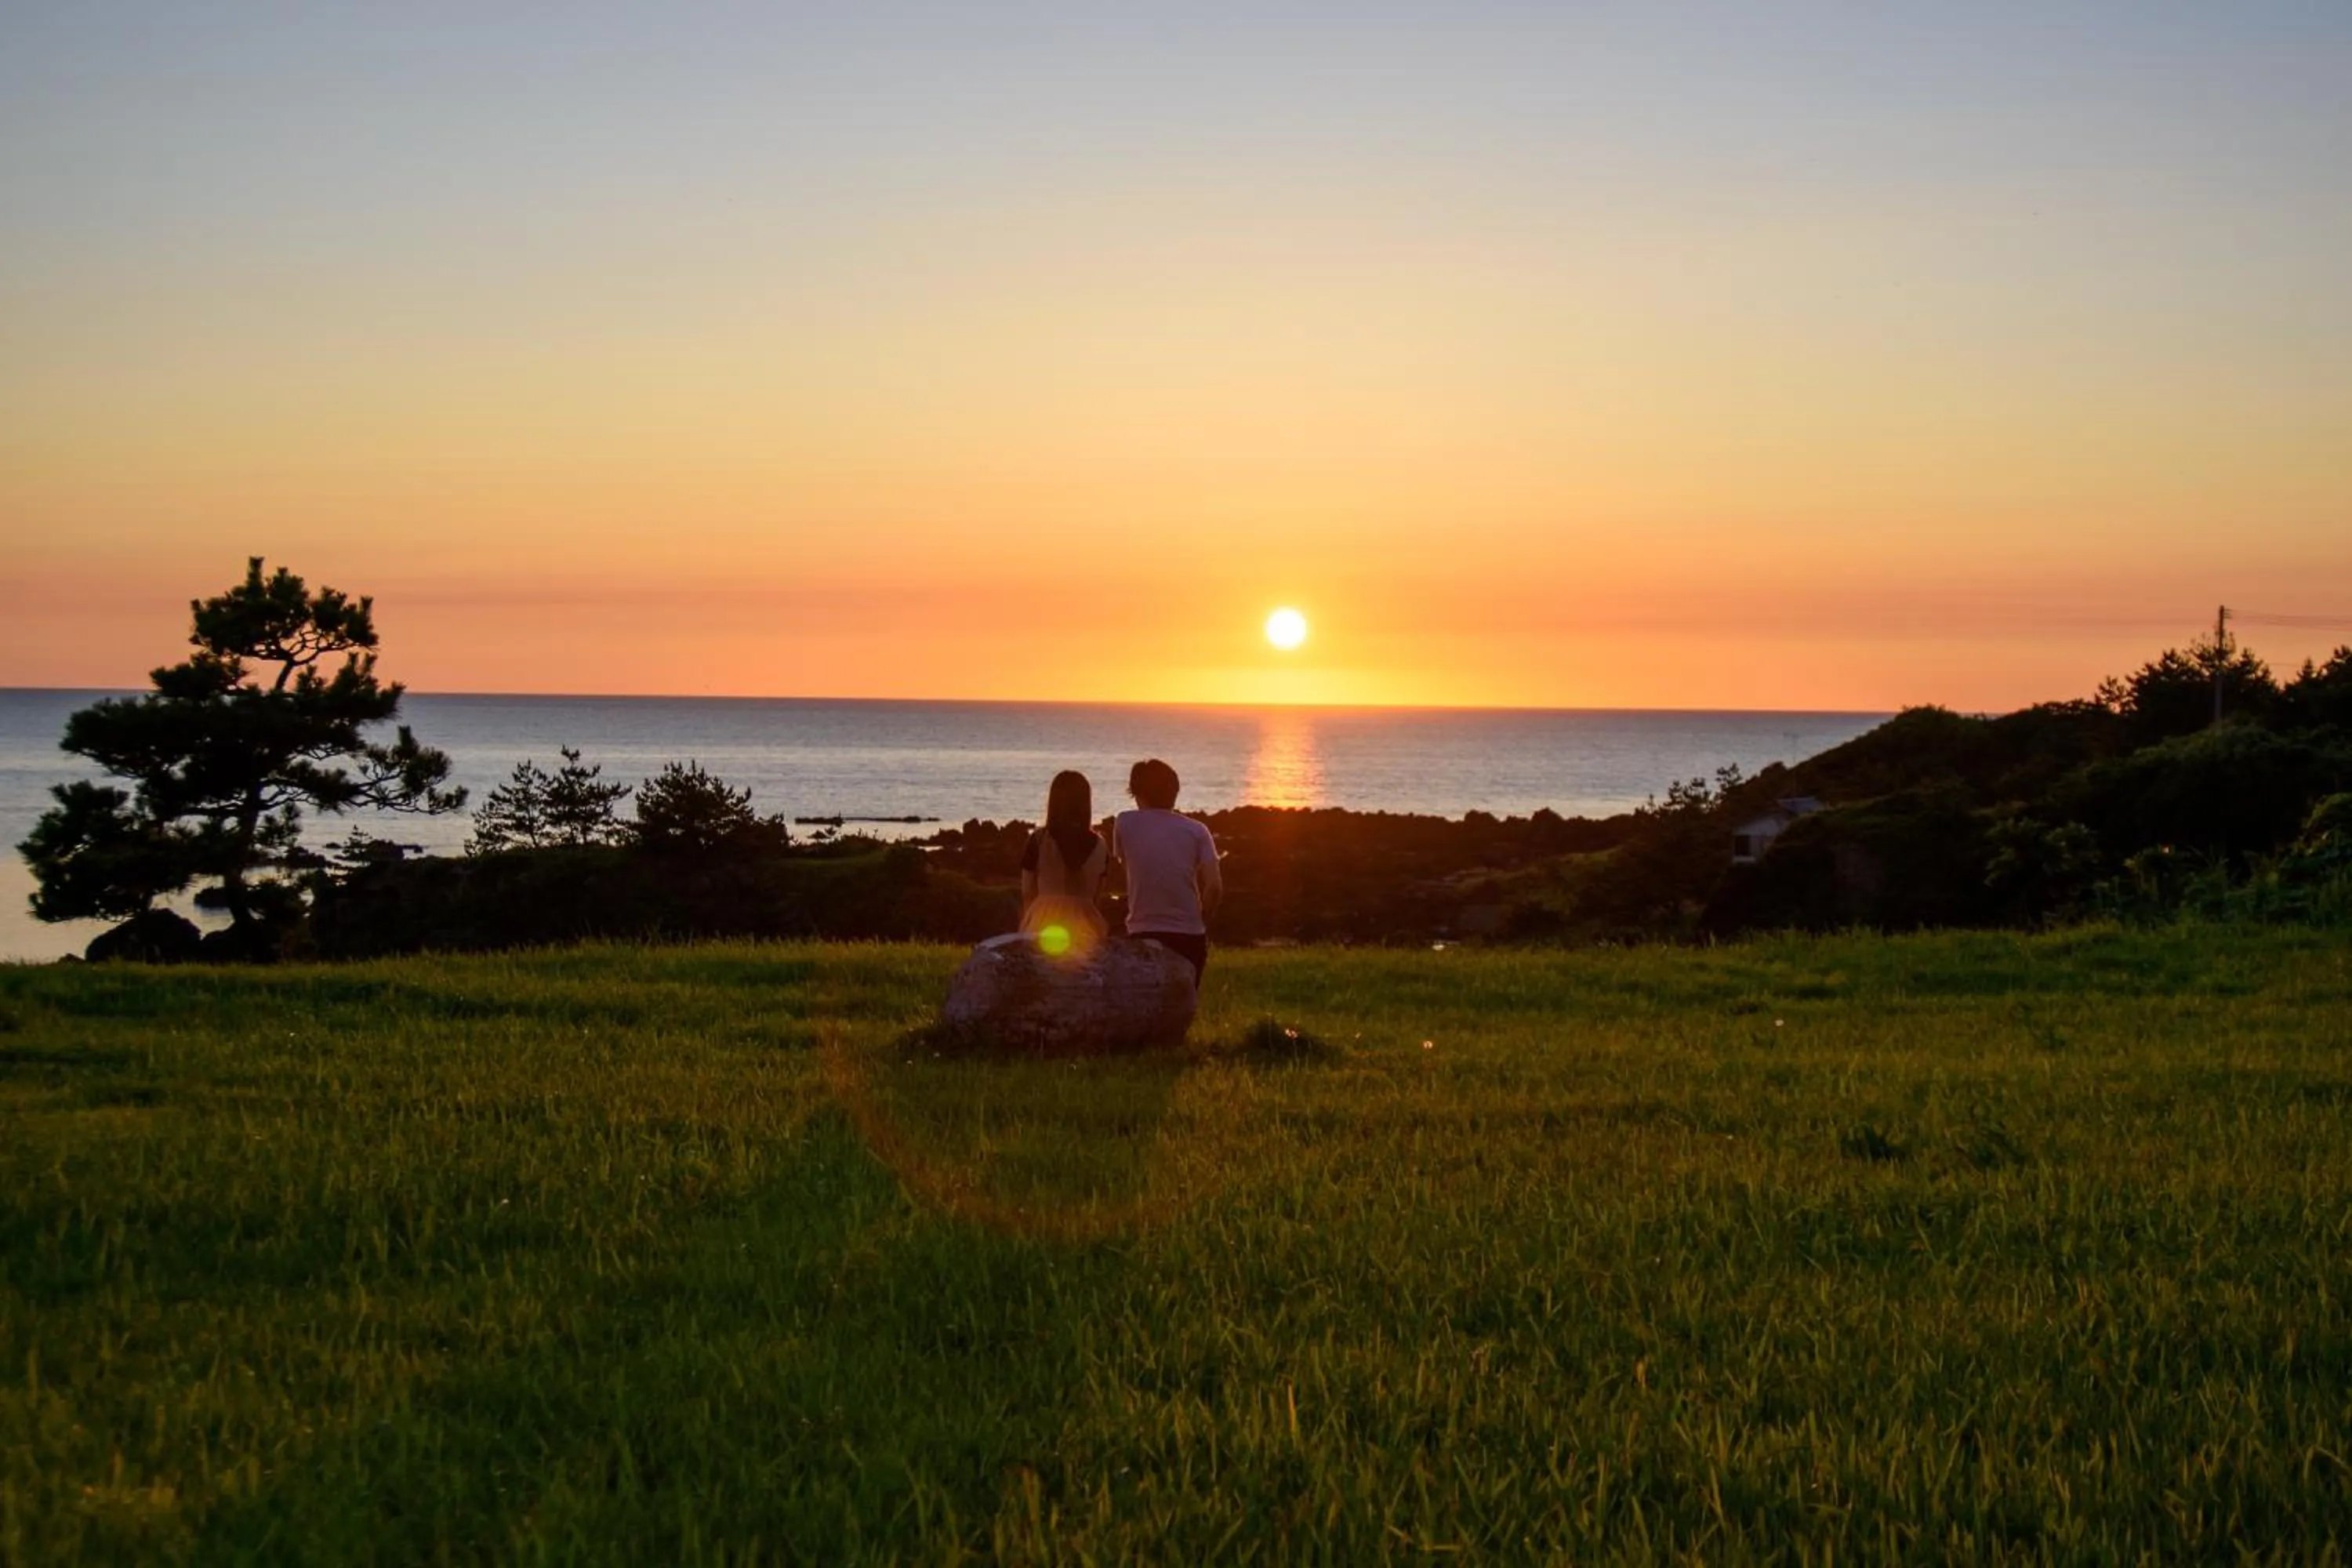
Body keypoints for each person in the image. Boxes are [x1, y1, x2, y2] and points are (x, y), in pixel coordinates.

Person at [1110, 757, 1221, 984]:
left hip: (1143, 931)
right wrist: (1201, 920)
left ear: (1137, 793)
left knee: (1144, 1009)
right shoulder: (1197, 830)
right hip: (1189, 935)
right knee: (1183, 1008)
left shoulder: (1124, 823)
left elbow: (1128, 868)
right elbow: (1214, 888)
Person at [1018, 769, 1109, 951]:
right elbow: (1098, 897)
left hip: (1042, 923)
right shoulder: (1101, 845)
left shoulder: (1039, 839)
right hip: (1088, 926)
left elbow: (1027, 891)